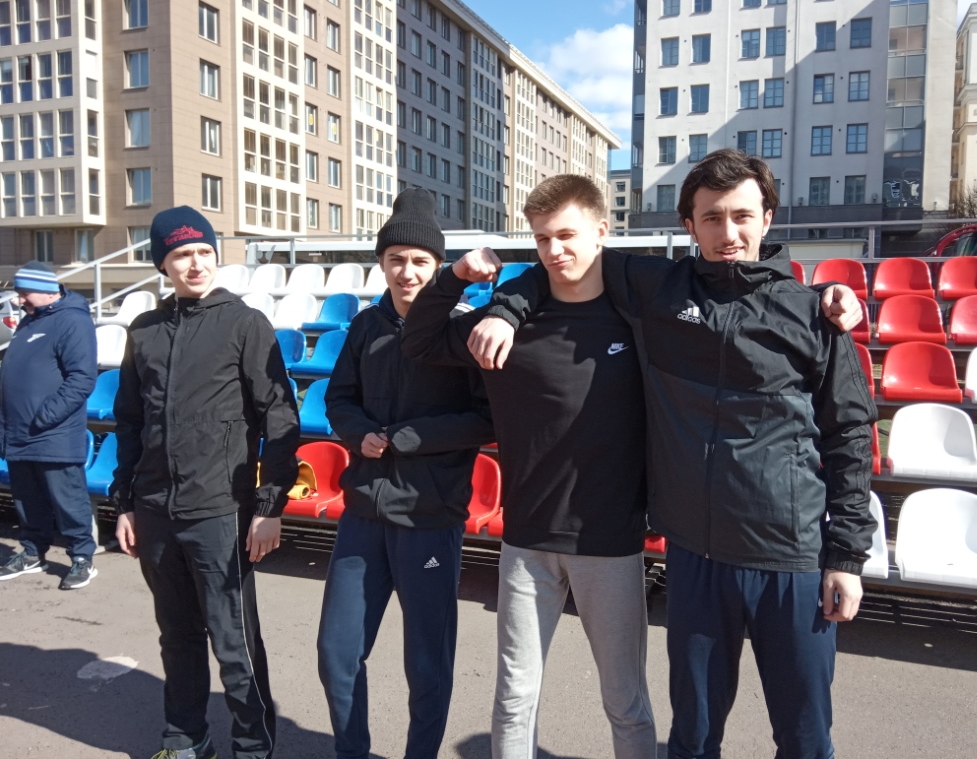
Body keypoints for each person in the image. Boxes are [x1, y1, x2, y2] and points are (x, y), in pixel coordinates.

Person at [477, 154, 877, 759]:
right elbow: (562, 257)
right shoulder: (659, 288)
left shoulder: (813, 314)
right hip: (696, 559)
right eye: (711, 218)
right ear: (689, 225)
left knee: (804, 739)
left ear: (768, 218)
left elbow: (849, 436)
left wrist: (845, 555)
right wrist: (506, 310)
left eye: (742, 216)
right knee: (691, 739)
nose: (728, 232)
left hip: (790, 556)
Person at [402, 176, 657, 759]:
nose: (554, 250)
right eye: (542, 239)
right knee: (515, 697)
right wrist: (456, 277)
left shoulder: (635, 317)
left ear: (601, 231)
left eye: (567, 235)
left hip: (609, 541)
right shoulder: (507, 322)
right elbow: (419, 341)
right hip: (526, 540)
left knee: (625, 700)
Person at [112, 205, 300, 759]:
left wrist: (269, 505)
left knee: (234, 642)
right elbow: (129, 422)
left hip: (220, 509)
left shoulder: (244, 324)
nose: (195, 263)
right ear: (162, 263)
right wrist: (125, 504)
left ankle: (253, 746)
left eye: (203, 252)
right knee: (177, 638)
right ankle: (185, 739)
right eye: (181, 254)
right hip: (155, 509)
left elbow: (279, 418)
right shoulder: (144, 331)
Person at [318, 187, 494, 759]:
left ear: (438, 266)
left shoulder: (463, 330)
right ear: (381, 263)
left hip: (429, 515)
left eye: (420, 261)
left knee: (427, 662)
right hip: (364, 514)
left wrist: (408, 438)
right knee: (337, 654)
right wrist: (356, 432)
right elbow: (339, 399)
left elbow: (486, 420)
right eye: (396, 259)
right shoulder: (365, 327)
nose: (408, 272)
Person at [0, 261, 98, 589]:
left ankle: (82, 558)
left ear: (45, 290)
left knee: (67, 499)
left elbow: (82, 378)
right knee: (27, 500)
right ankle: (32, 552)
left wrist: (44, 416)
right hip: (18, 432)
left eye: (23, 293)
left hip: (53, 432)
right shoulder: (30, 321)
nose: (19, 300)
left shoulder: (72, 320)